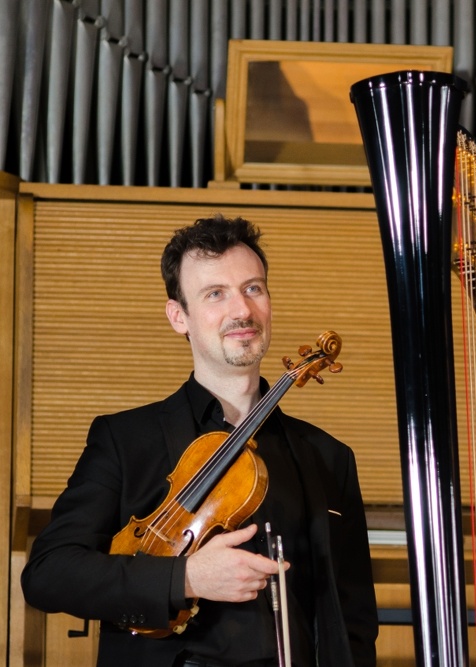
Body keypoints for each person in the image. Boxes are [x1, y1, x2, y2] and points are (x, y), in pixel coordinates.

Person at [21, 214, 379, 666]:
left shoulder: (329, 458)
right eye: (215, 294)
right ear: (179, 317)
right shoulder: (125, 440)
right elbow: (49, 574)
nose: (242, 311)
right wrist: (186, 577)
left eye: (253, 288)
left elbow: (356, 624)